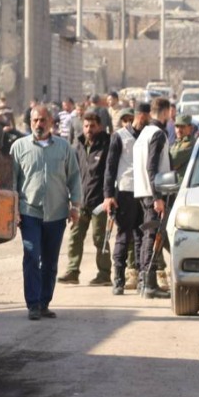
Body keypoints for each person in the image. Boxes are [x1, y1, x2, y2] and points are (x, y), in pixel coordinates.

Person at [10, 103, 82, 321]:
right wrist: (13, 210)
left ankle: (43, 302)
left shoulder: (64, 148)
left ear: (51, 122)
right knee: (32, 256)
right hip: (29, 212)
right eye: (35, 120)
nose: (38, 124)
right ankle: (32, 304)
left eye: (43, 120)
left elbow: (74, 178)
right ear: (30, 122)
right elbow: (11, 181)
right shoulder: (19, 147)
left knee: (50, 261)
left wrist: (75, 206)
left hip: (57, 213)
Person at [58, 110, 111, 286]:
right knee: (75, 236)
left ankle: (104, 274)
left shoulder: (107, 145)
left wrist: (108, 197)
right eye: (86, 126)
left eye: (92, 126)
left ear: (100, 127)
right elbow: (73, 173)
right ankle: (73, 271)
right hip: (81, 201)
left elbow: (110, 174)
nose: (89, 129)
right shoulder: (78, 146)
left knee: (99, 238)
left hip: (99, 202)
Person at [103, 103, 150, 295]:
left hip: (144, 192)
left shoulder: (149, 136)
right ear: (136, 117)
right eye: (143, 117)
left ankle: (141, 279)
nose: (145, 121)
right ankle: (119, 280)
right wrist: (108, 196)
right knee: (123, 235)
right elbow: (110, 168)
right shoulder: (119, 136)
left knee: (141, 236)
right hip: (125, 192)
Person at [133, 96, 173, 299]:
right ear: (165, 112)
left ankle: (144, 281)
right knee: (151, 236)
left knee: (148, 236)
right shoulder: (157, 134)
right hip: (152, 193)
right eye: (170, 113)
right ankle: (148, 283)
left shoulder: (143, 133)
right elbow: (152, 166)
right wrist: (158, 196)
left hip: (143, 191)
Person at [169, 113, 197, 183]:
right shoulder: (178, 141)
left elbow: (172, 159)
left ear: (190, 128)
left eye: (182, 127)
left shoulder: (190, 143)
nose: (179, 130)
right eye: (177, 126)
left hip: (184, 184)